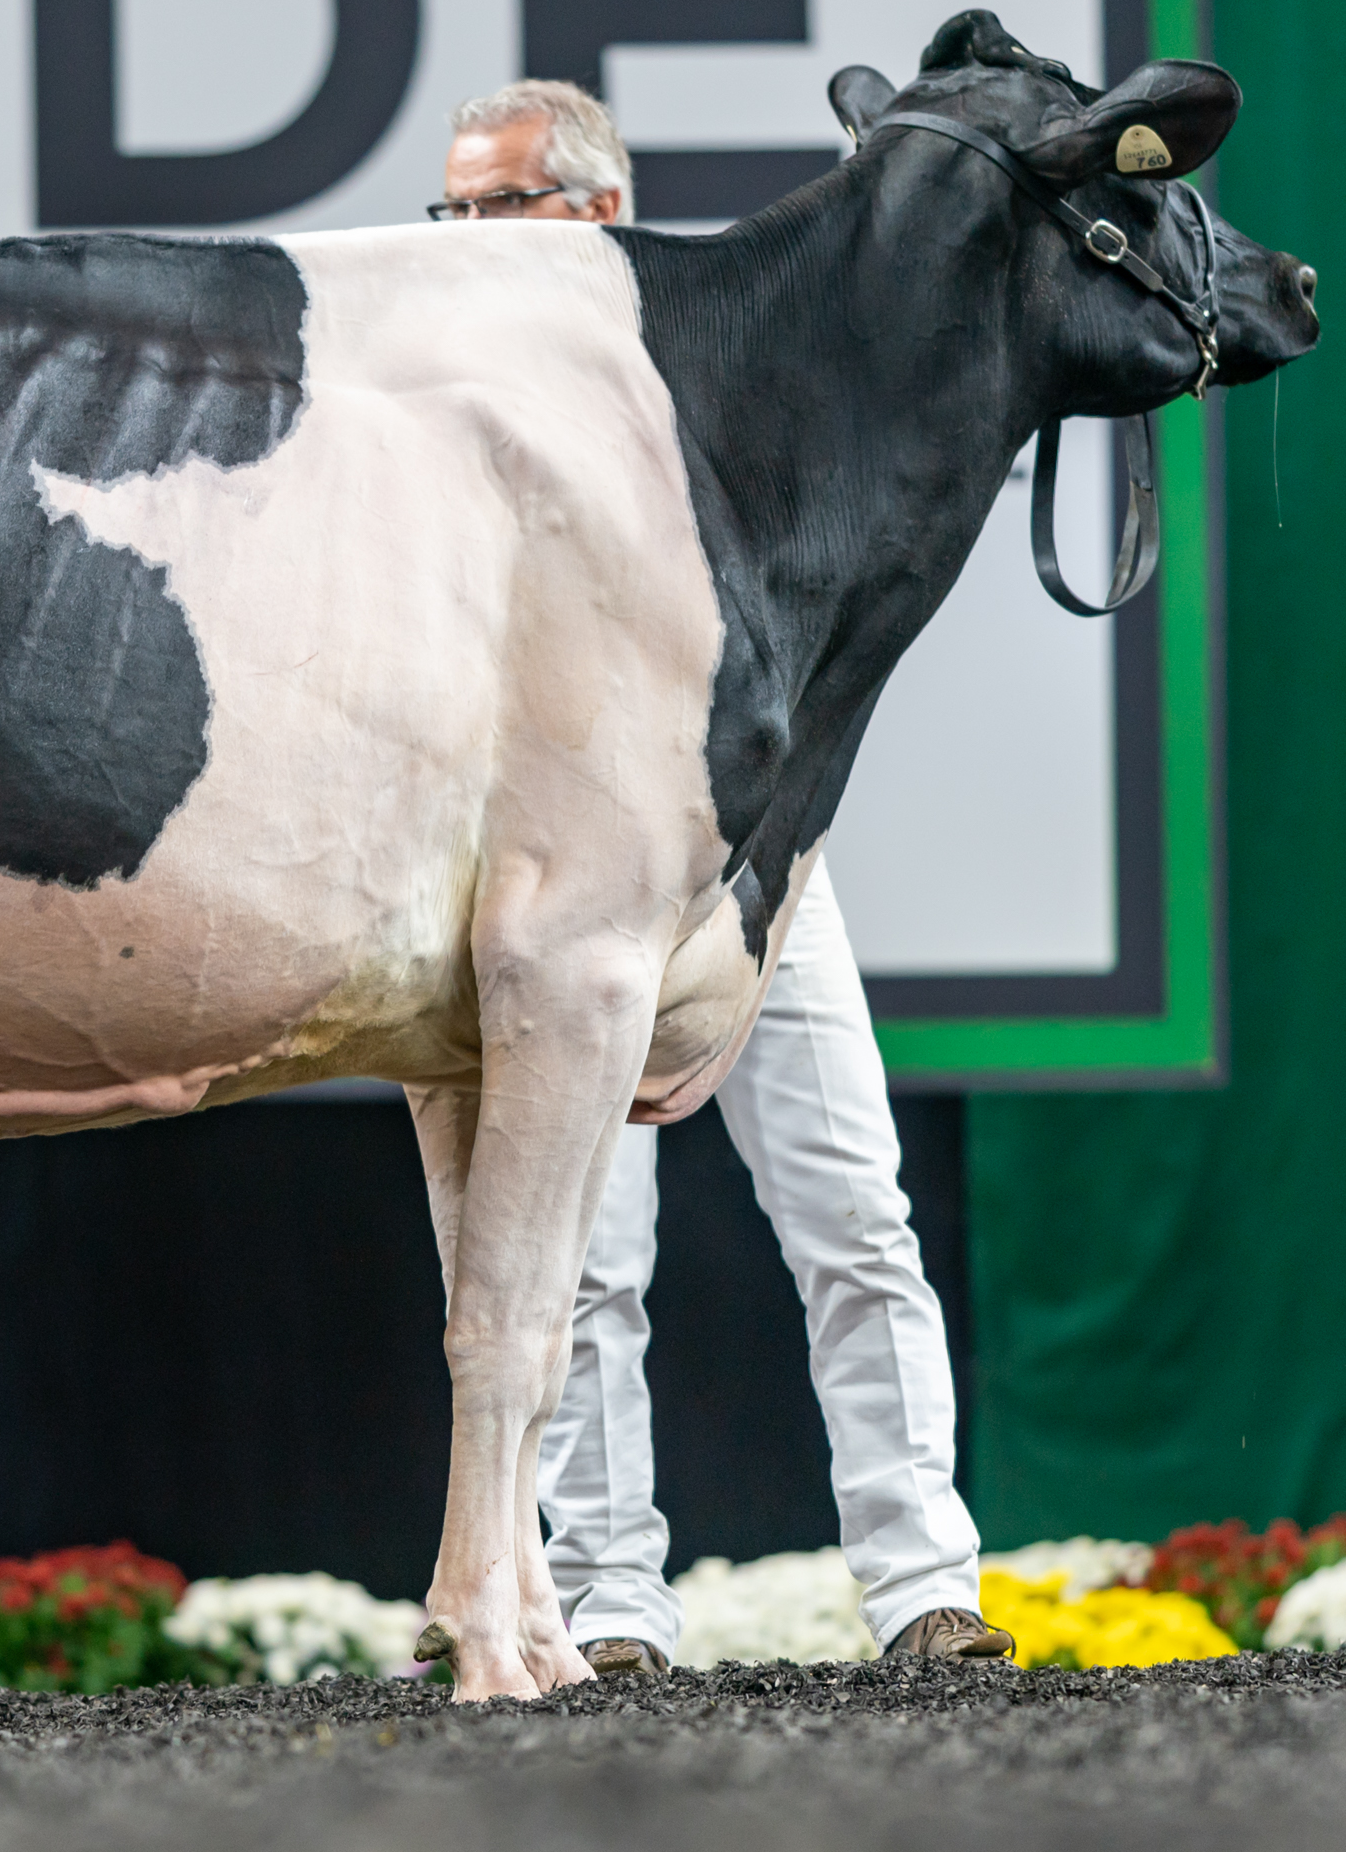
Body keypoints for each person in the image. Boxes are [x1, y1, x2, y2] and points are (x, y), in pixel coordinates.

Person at [433, 80, 1015, 1673]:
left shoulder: (718, 368)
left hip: (746, 866)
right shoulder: (447, 411)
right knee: (580, 1258)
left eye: (496, 206)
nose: (464, 236)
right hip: (561, 884)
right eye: (452, 210)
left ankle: (927, 1587)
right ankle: (607, 1602)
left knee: (856, 1218)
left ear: (597, 215)